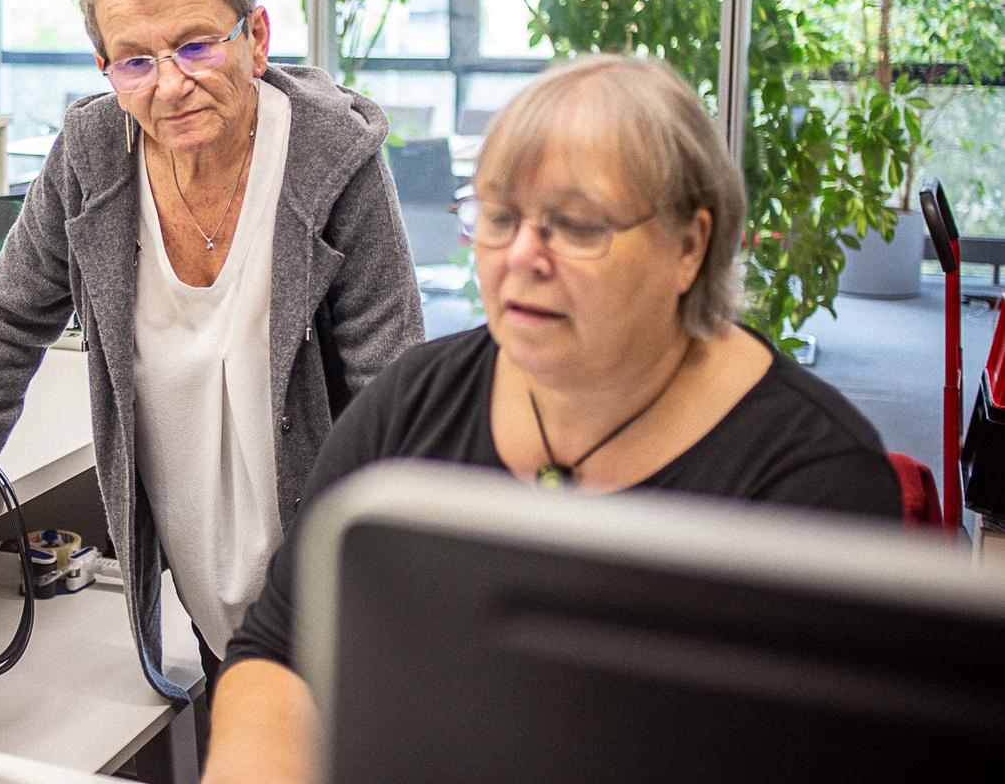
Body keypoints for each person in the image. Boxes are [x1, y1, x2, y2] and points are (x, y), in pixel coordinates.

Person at [202, 54, 902, 784]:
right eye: (499, 217)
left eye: (577, 225)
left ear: (688, 246)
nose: (523, 257)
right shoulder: (413, 405)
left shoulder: (816, 487)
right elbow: (280, 650)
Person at [0, 0, 425, 701]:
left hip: (334, 591)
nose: (171, 85)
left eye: (195, 45)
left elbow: (390, 391)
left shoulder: (332, 159)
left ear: (254, 36)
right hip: (207, 586)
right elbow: (9, 317)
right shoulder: (90, 155)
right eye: (135, 61)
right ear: (104, 67)